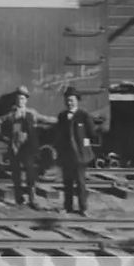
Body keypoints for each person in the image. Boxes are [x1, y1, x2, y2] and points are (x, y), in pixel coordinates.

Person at [0, 85, 55, 209]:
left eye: (22, 98)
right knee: (16, 175)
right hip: (15, 147)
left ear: (26, 100)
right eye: (18, 99)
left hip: (28, 148)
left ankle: (32, 199)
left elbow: (46, 119)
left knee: (30, 173)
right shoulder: (11, 114)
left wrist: (60, 120)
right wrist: (3, 136)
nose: (20, 101)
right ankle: (19, 199)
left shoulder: (31, 113)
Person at [54, 86, 97, 216]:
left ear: (77, 100)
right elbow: (59, 135)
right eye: (67, 100)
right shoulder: (61, 116)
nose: (69, 102)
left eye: (72, 100)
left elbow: (91, 134)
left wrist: (84, 148)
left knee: (80, 183)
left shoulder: (84, 115)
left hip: (80, 155)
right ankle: (68, 207)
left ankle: (83, 208)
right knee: (67, 183)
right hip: (66, 155)